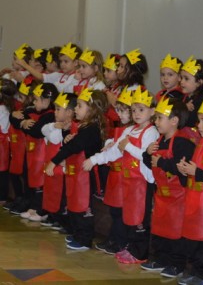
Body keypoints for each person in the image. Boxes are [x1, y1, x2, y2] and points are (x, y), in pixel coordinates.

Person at [82, 85, 159, 262]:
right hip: (128, 182)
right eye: (134, 110)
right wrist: (94, 160)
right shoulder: (129, 130)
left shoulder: (152, 132)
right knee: (129, 215)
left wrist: (129, 146)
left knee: (140, 217)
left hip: (142, 183)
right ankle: (129, 246)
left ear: (152, 111)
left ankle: (140, 252)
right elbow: (114, 152)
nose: (137, 114)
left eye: (141, 110)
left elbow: (146, 157)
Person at [45, 88, 108, 250]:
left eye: (79, 106)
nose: (75, 110)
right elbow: (73, 144)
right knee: (74, 203)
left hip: (87, 176)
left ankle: (84, 239)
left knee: (84, 207)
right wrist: (67, 139)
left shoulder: (91, 129)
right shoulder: (83, 127)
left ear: (92, 109)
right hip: (78, 173)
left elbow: (76, 146)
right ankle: (77, 234)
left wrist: (54, 161)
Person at [141, 97, 195, 278]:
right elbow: (151, 164)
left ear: (174, 121)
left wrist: (163, 162)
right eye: (155, 118)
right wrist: (147, 154)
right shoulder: (159, 141)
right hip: (161, 195)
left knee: (176, 232)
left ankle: (177, 264)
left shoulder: (183, 143)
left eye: (159, 118)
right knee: (159, 229)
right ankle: (160, 259)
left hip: (178, 197)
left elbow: (183, 170)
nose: (156, 122)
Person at [176, 95, 203, 285]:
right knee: (194, 237)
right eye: (199, 121)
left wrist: (196, 172)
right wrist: (185, 169)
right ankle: (195, 270)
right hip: (195, 198)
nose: (199, 125)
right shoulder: (201, 142)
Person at [88, 86, 133, 255]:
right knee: (114, 210)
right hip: (115, 174)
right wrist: (108, 142)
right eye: (118, 110)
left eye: (124, 111)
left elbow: (119, 149)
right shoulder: (120, 128)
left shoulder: (131, 131)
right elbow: (113, 141)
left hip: (124, 175)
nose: (120, 115)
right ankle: (113, 238)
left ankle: (120, 242)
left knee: (120, 211)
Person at [17, 83, 59, 221]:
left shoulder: (50, 115)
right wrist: (22, 123)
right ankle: (35, 207)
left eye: (36, 99)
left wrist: (25, 125)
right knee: (35, 180)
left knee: (42, 182)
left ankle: (41, 209)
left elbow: (36, 131)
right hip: (36, 153)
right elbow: (15, 117)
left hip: (46, 153)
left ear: (46, 101)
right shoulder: (33, 111)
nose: (33, 102)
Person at [41, 92, 77, 228]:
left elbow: (55, 139)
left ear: (69, 112)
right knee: (50, 192)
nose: (55, 112)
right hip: (52, 165)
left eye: (58, 109)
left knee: (61, 195)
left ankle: (60, 218)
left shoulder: (72, 127)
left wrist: (60, 130)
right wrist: (53, 126)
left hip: (62, 167)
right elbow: (43, 130)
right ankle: (52, 215)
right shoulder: (55, 124)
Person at [5, 81, 33, 213]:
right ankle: (19, 197)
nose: (18, 100)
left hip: (27, 151)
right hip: (16, 149)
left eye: (21, 98)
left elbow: (16, 123)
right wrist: (12, 116)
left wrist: (14, 116)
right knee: (14, 174)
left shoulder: (29, 111)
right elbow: (13, 120)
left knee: (25, 176)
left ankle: (26, 200)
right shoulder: (19, 110)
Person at [15, 42, 82, 93]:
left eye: (66, 61)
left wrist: (25, 65)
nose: (62, 64)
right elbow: (42, 77)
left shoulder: (77, 78)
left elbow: (64, 89)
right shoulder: (60, 75)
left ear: (76, 63)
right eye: (61, 61)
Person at [179, 56, 203, 144]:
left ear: (199, 83)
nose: (181, 82)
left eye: (186, 79)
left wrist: (182, 110)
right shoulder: (184, 97)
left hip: (193, 142)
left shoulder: (202, 101)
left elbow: (189, 122)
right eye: (181, 78)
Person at [0, 79, 17, 203]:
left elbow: (4, 129)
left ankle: (2, 197)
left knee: (2, 171)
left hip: (2, 143)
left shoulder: (3, 110)